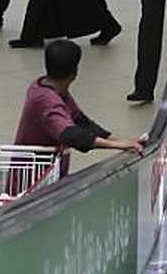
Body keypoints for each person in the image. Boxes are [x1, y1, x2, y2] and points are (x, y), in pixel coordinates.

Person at [15, 40, 145, 175]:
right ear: (75, 72)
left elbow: (81, 122)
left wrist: (124, 142)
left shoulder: (46, 87)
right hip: (32, 180)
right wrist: (117, 145)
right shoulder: (47, 101)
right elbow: (71, 134)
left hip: (49, 173)